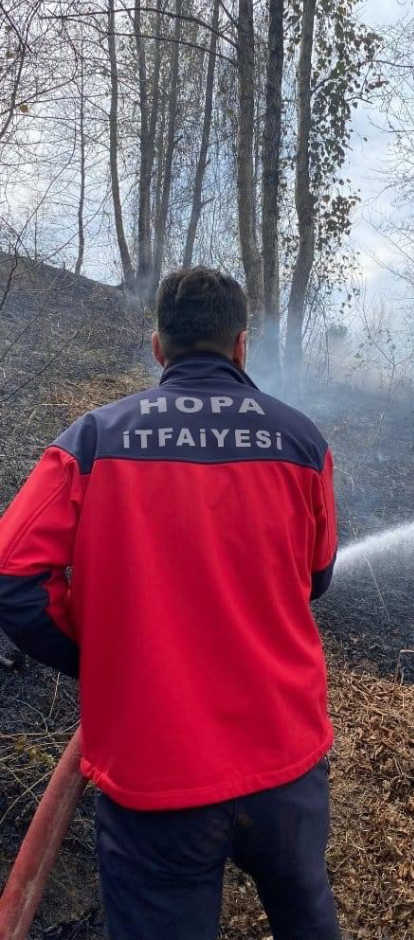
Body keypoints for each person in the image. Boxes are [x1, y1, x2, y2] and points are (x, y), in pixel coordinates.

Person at [0, 267, 340, 940]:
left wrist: (99, 657)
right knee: (307, 917)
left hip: (154, 771)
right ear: (242, 346)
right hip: (286, 760)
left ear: (158, 346)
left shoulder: (92, 440)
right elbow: (317, 577)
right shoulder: (302, 441)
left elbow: (13, 576)